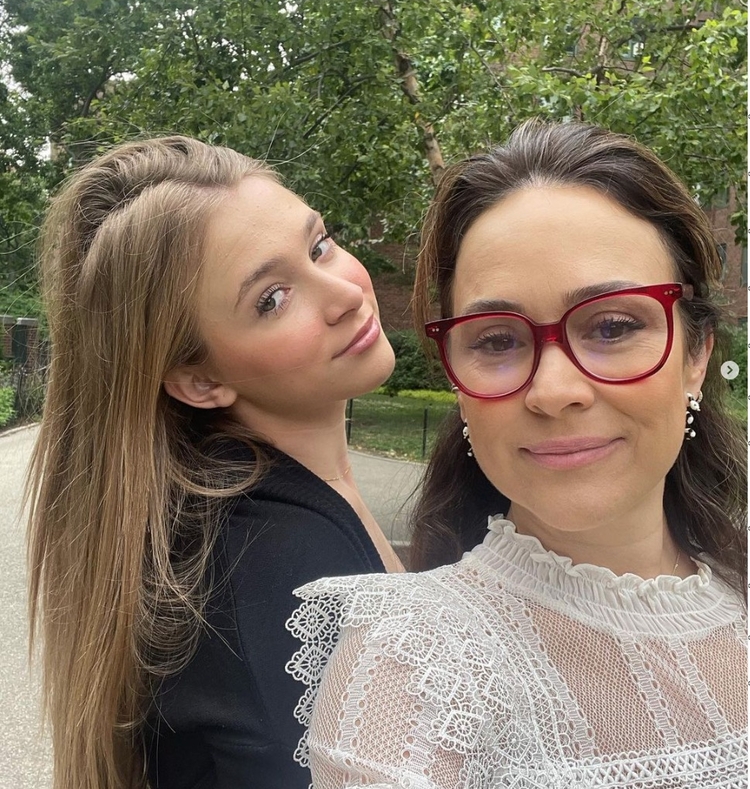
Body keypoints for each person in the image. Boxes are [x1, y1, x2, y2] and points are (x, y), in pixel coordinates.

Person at [287, 120, 747, 788]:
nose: (553, 391)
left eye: (613, 326)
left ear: (696, 355)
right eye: (497, 340)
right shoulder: (414, 669)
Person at [26, 135, 401, 789]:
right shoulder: (279, 568)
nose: (343, 291)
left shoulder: (275, 515)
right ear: (200, 381)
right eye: (271, 298)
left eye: (319, 246)